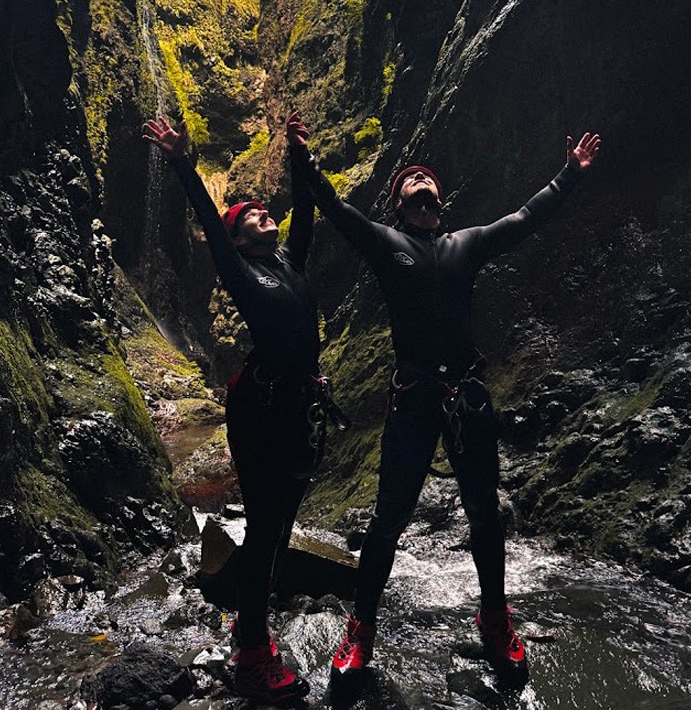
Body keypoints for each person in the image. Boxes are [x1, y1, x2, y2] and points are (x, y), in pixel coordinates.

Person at [287, 111, 600, 687]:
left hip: (467, 394)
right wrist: (301, 157)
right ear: (398, 203)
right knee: (387, 520)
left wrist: (570, 174)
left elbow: (525, 219)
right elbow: (334, 207)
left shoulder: (465, 244)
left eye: (426, 176)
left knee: (484, 514)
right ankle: (361, 629)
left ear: (440, 199)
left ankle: (495, 619)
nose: (419, 178)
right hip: (412, 398)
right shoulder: (386, 243)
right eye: (409, 178)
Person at [143, 114, 332, 704]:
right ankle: (250, 655)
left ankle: (252, 625)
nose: (262, 212)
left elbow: (306, 213)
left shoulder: (289, 263)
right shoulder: (240, 269)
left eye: (263, 210)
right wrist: (182, 162)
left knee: (280, 528)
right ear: (241, 239)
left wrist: (298, 155)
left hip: (299, 403)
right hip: (260, 407)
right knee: (266, 526)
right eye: (250, 214)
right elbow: (209, 221)